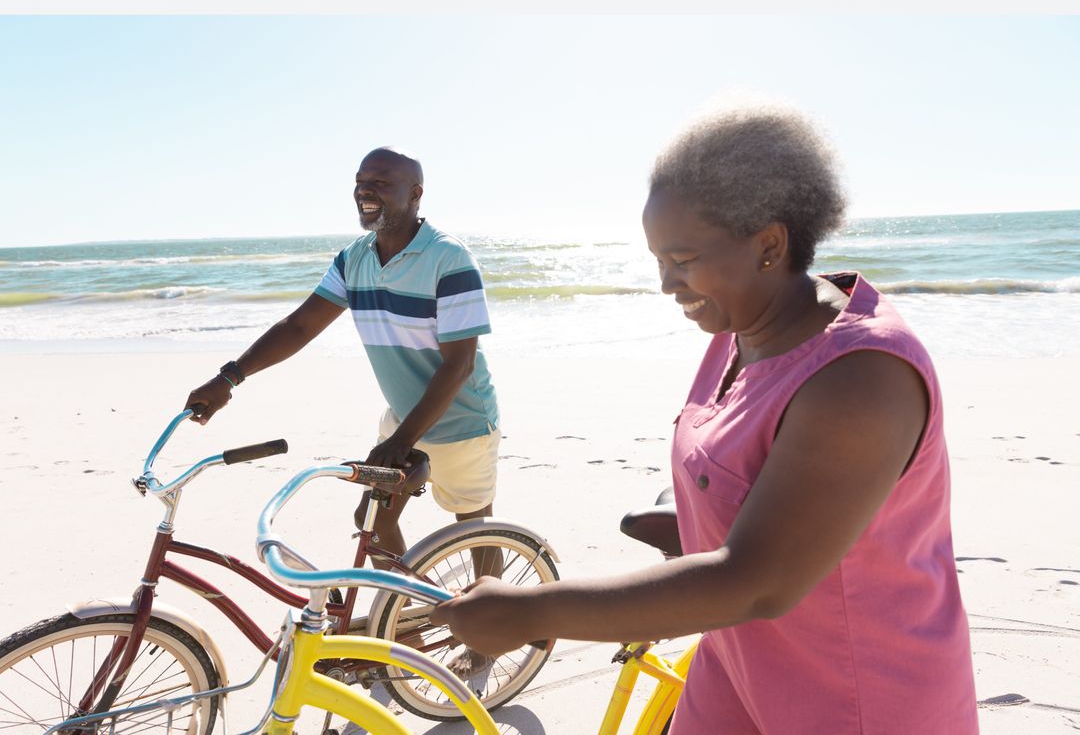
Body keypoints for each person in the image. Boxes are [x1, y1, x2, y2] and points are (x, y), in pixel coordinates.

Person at [432, 102, 978, 734]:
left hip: (854, 697)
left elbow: (757, 582)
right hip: (734, 663)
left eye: (682, 259)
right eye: (658, 259)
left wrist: (531, 614)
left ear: (769, 245)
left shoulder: (861, 378)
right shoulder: (741, 323)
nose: (666, 283)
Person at [185, 147, 501, 556]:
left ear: (415, 193)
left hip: (462, 423)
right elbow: (299, 326)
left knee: (474, 534)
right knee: (372, 521)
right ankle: (396, 613)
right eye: (360, 182)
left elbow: (458, 366)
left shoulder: (450, 259)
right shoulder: (354, 259)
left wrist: (401, 442)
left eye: (381, 183)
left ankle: (495, 616)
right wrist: (229, 377)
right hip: (403, 419)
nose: (365, 191)